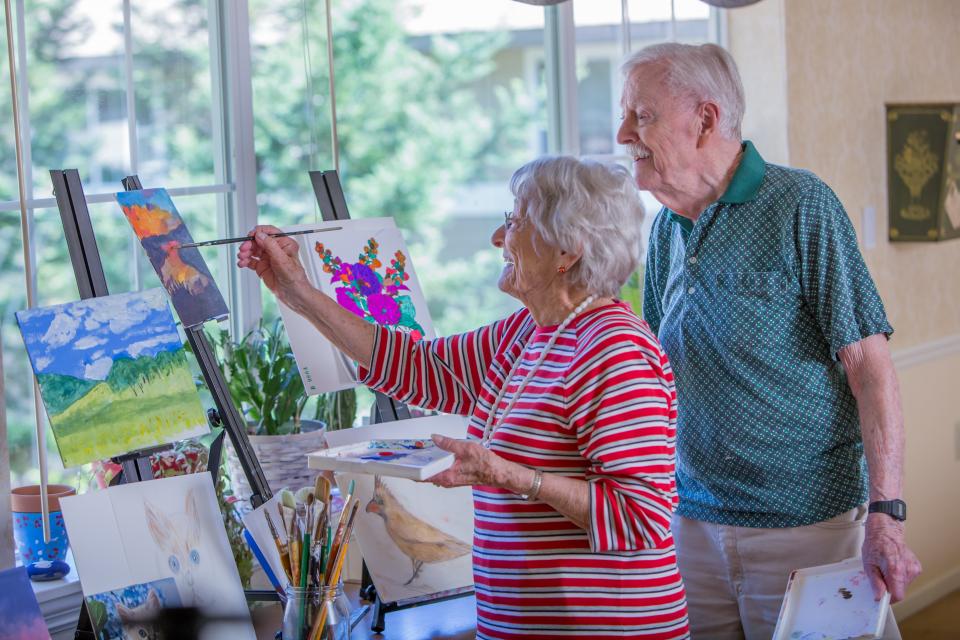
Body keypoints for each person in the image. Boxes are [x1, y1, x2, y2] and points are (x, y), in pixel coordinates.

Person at [238, 156, 690, 639]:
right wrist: (297, 291)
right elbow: (415, 367)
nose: (499, 238)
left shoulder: (614, 349)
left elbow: (642, 515)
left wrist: (507, 475)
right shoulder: (528, 332)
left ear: (568, 251)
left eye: (514, 222)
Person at [616, 42, 921, 639]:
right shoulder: (662, 230)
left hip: (808, 527)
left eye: (641, 115)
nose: (624, 133)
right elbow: (654, 373)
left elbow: (870, 367)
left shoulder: (799, 204)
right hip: (691, 523)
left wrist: (887, 517)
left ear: (704, 120)